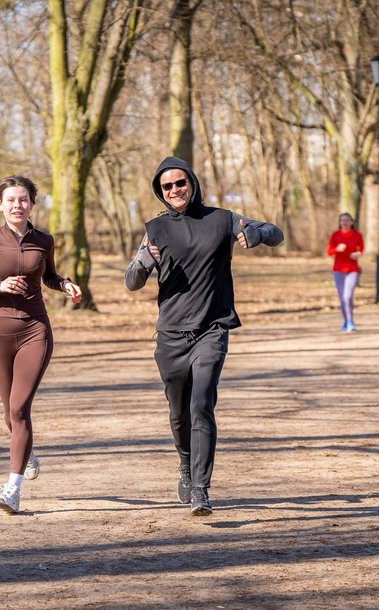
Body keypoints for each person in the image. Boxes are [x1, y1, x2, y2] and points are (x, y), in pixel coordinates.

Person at [124, 156, 284, 516]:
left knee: (201, 406)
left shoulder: (222, 219)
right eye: (167, 186)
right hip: (170, 335)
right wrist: (143, 264)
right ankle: (184, 463)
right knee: (179, 412)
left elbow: (277, 233)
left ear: (192, 183)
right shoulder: (156, 230)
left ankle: (201, 490)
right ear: (160, 192)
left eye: (181, 182)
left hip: (212, 328)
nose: (175, 190)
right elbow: (131, 282)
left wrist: (256, 234)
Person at [0, 175, 82, 514]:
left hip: (34, 331)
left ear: (31, 203)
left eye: (23, 199)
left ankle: (12, 489)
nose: (17, 205)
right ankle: (25, 451)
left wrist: (65, 284)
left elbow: (49, 276)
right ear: (0, 204)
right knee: (9, 411)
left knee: (19, 408)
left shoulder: (44, 240)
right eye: (10, 200)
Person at [327, 212, 364, 332]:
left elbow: (362, 249)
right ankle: (346, 321)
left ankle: (350, 321)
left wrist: (358, 254)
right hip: (338, 270)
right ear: (340, 222)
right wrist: (337, 249)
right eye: (342, 220)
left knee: (348, 296)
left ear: (352, 222)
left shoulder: (357, 235)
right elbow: (329, 251)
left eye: (347, 220)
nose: (345, 222)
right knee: (342, 298)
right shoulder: (335, 235)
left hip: (352, 270)